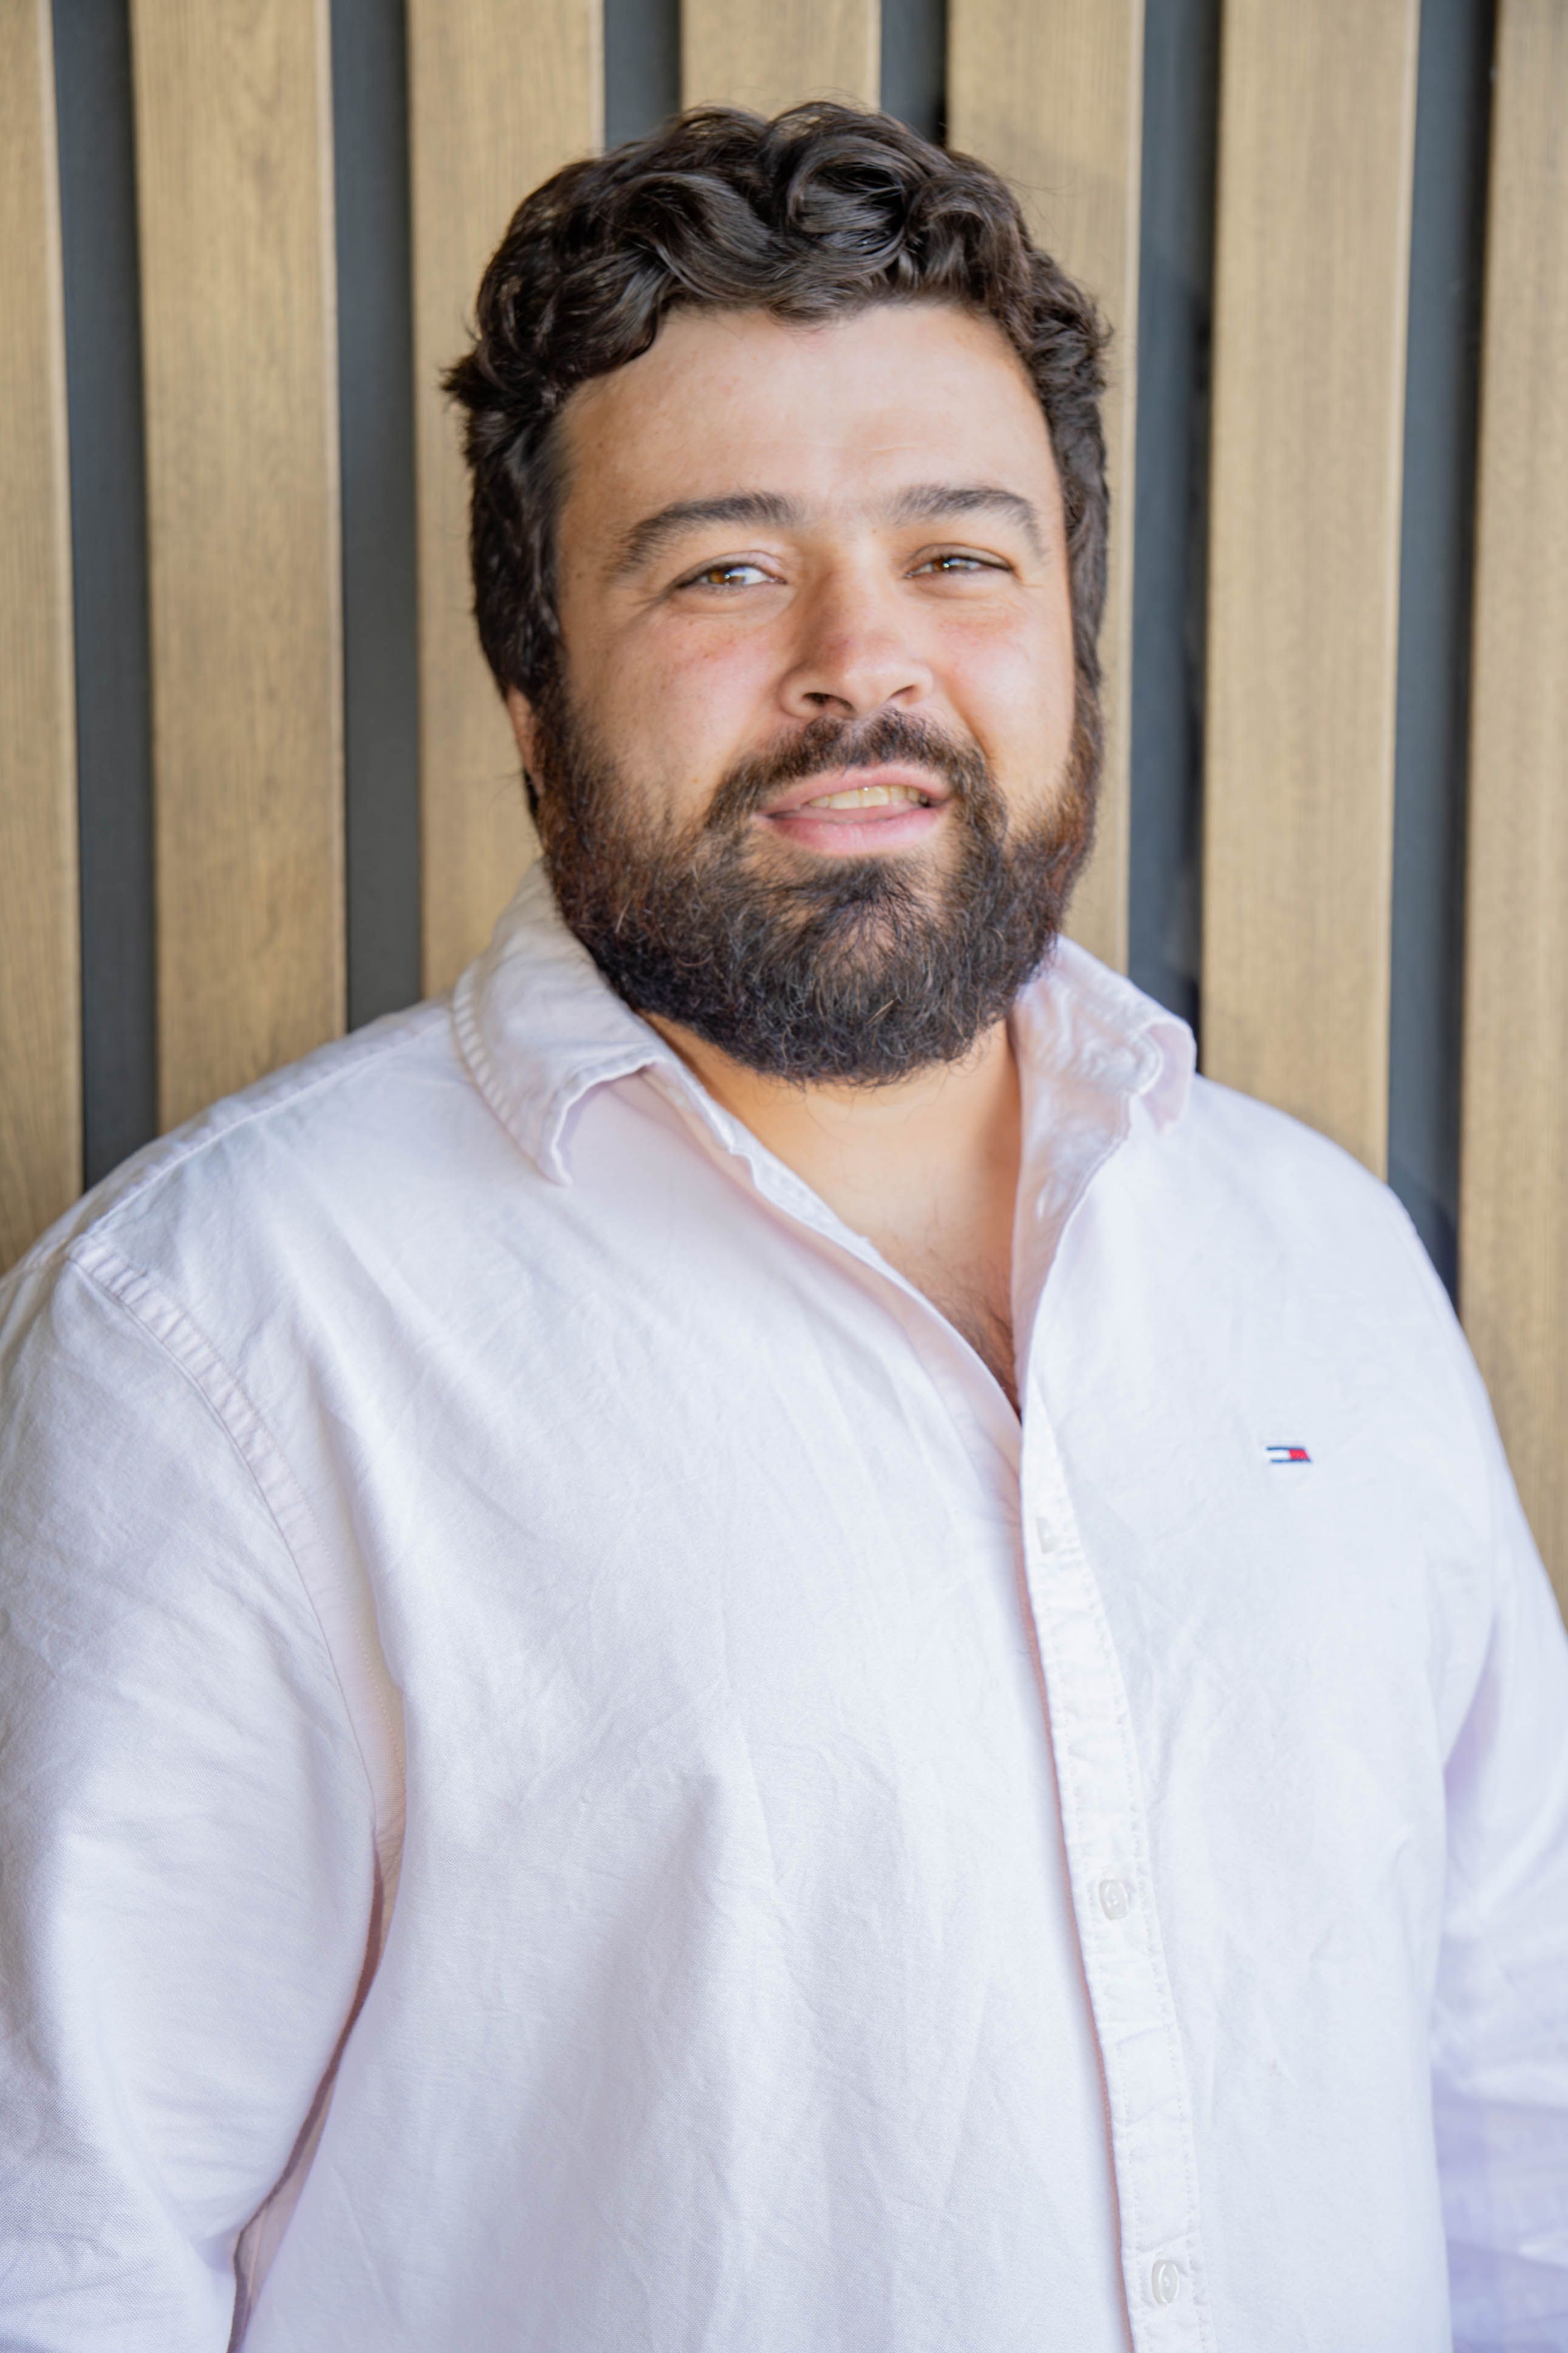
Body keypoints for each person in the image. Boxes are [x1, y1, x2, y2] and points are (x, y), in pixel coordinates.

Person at [1, 100, 1565, 2353]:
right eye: (726, 570)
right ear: (533, 695)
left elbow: (1517, 2128)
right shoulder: (220, 1336)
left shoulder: (1325, 1263)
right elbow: (64, 2253)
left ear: (1071, 637)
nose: (864, 663)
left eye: (962, 556)